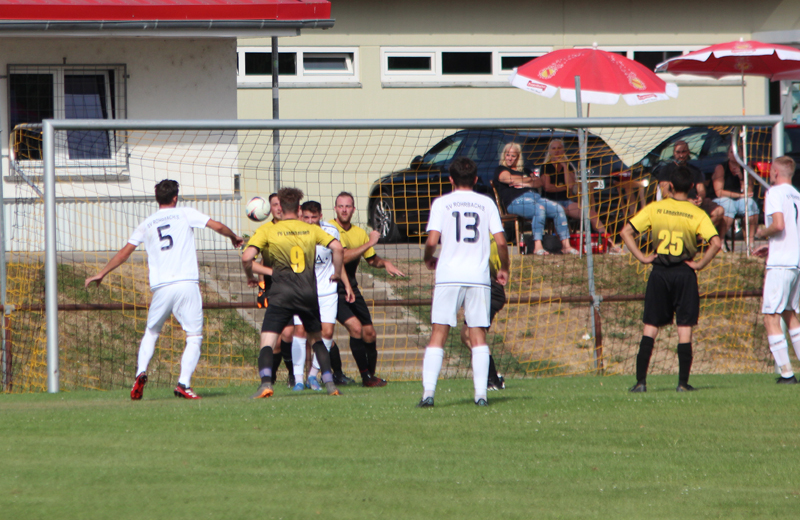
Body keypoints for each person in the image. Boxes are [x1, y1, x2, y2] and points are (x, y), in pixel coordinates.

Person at [84, 179, 243, 400]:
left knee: (152, 332)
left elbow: (125, 252)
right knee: (194, 335)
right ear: (175, 197)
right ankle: (183, 384)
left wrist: (102, 273)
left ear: (157, 198)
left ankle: (140, 372)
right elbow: (217, 226)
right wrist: (233, 236)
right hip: (186, 283)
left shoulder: (147, 223)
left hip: (161, 287)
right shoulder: (185, 213)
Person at [418, 157, 510, 407]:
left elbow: (431, 240)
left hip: (449, 275)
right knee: (477, 336)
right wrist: (504, 268)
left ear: (451, 179)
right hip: (478, 277)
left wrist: (428, 258)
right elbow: (501, 243)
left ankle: (428, 395)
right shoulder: (486, 203)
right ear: (476, 179)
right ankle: (481, 396)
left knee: (438, 334)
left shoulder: (442, 203)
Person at [620, 166, 721, 393]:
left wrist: (642, 258)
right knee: (684, 328)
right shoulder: (697, 213)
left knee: (650, 327)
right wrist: (699, 264)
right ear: (692, 187)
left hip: (660, 272)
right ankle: (683, 383)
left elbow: (625, 232)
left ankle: (640, 382)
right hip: (684, 272)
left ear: (670, 186)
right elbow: (716, 243)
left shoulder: (655, 208)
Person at [244, 187, 345, 399]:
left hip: (281, 293)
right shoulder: (310, 229)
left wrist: (251, 276)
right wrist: (336, 273)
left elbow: (247, 258)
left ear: (280, 207)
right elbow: (337, 248)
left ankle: (266, 384)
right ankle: (329, 384)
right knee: (316, 339)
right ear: (299, 209)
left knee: (268, 341)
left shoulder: (268, 231)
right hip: (307, 293)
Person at [331, 191, 406, 387]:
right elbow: (343, 257)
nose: (344, 210)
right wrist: (370, 242)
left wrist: (385, 263)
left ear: (353, 210)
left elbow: (371, 259)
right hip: (331, 289)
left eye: (348, 206)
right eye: (341, 206)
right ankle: (354, 376)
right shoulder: (330, 229)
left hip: (351, 288)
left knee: (370, 333)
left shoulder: (359, 233)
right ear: (335, 209)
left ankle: (370, 376)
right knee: (354, 328)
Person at [289, 201, 355, 391]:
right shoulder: (293, 233)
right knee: (300, 331)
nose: (310, 221)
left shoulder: (331, 232)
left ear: (320, 216)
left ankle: (313, 375)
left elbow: (337, 258)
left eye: (314, 217)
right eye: (306, 217)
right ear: (300, 216)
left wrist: (346, 284)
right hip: (303, 291)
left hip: (327, 291)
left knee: (326, 333)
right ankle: (298, 379)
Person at [753, 156, 800, 384]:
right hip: (796, 262)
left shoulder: (774, 193)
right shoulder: (797, 195)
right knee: (790, 315)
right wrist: (771, 246)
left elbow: (779, 225)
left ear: (775, 173)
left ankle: (786, 374)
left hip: (781, 263)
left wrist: (763, 233)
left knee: (770, 317)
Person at [243, 193, 297, 388]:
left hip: (299, 287)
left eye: (281, 204)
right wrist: (262, 287)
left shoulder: (296, 228)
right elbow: (259, 260)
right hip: (276, 289)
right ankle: (272, 378)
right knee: (277, 340)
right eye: (275, 205)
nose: (279, 208)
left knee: (290, 335)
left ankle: (295, 375)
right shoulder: (265, 231)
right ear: (269, 209)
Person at [494, 142, 578, 255]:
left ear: (518, 156)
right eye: (507, 155)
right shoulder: (501, 169)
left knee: (558, 209)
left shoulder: (525, 170)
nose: (509, 158)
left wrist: (523, 183)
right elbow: (508, 179)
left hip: (535, 197)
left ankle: (566, 246)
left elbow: (539, 182)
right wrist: (529, 179)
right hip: (516, 201)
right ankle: (537, 247)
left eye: (513, 155)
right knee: (539, 209)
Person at [459, 235, 507, 390]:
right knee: (467, 335)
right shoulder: (485, 234)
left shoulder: (484, 236)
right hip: (486, 288)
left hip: (490, 289)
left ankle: (492, 380)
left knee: (472, 335)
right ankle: (493, 377)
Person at [656, 140, 724, 236]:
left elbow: (701, 189)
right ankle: (692, 236)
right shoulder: (666, 170)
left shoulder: (695, 170)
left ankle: (697, 236)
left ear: (688, 152)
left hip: (695, 203)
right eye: (678, 152)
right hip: (675, 204)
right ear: (674, 153)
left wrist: (700, 197)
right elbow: (665, 192)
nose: (681, 155)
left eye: (683, 152)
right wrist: (685, 201)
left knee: (719, 211)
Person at [712, 145, 759, 250]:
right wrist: (739, 195)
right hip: (724, 198)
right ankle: (721, 242)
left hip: (740, 199)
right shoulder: (721, 168)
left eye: (737, 151)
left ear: (742, 154)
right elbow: (719, 192)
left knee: (750, 204)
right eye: (732, 152)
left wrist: (741, 177)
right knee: (729, 205)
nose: (734, 154)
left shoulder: (746, 168)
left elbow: (749, 192)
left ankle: (750, 243)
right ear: (728, 154)